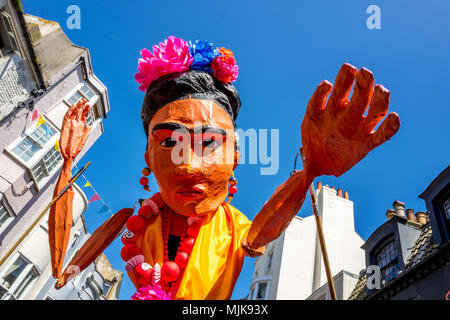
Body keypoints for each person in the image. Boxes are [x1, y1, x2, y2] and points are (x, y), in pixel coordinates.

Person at [49, 37, 400, 299]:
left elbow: (263, 232)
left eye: (209, 143)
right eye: (169, 142)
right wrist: (66, 164)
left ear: (235, 155)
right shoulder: (134, 220)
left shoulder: (234, 228)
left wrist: (312, 169)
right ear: (147, 158)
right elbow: (64, 275)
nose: (187, 165)